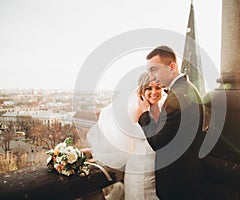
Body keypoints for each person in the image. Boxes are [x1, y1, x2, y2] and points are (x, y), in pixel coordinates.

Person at [138, 45, 206, 200]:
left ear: (172, 67)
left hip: (178, 181)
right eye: (149, 71)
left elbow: (158, 142)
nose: (151, 76)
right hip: (186, 177)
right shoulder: (186, 89)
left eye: (154, 69)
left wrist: (144, 114)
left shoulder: (177, 97)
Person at [85, 72, 165, 200]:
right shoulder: (135, 111)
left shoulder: (162, 108)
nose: (154, 92)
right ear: (141, 90)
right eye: (149, 88)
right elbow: (122, 141)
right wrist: (93, 152)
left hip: (158, 172)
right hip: (140, 171)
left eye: (158, 88)